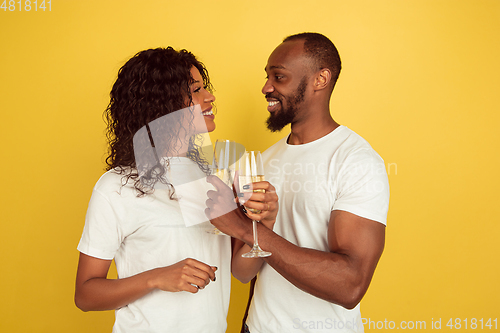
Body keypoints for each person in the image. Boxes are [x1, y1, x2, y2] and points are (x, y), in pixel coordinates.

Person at [205, 33, 390, 333]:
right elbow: (242, 272)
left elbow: (350, 285)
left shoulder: (356, 161)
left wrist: (240, 228)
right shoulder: (260, 162)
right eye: (267, 76)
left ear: (321, 79)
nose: (266, 87)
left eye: (279, 77)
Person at [75, 47, 229, 332]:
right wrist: (156, 278)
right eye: (195, 91)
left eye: (204, 88)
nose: (209, 98)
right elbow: (85, 295)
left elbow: (240, 272)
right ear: (162, 105)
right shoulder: (116, 187)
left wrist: (262, 221)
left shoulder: (211, 179)